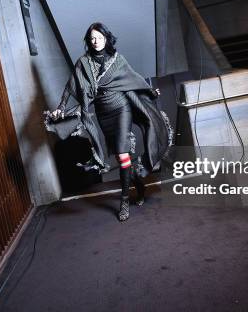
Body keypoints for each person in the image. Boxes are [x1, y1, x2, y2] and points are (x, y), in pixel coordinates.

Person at [47, 22, 173, 222]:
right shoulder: (83, 63)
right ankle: (138, 184)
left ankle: (124, 201)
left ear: (107, 39)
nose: (96, 41)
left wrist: (149, 91)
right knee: (122, 157)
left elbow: (133, 79)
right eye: (92, 38)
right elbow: (71, 86)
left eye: (100, 37)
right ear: (89, 41)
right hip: (103, 114)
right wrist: (61, 108)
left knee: (123, 154)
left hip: (121, 108)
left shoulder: (118, 59)